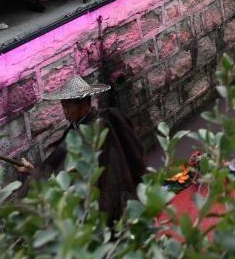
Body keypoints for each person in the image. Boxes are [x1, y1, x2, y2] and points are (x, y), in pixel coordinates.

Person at [17, 76, 145, 225]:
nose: (65, 112)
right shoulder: (76, 128)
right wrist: (34, 171)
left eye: (69, 107)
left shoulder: (97, 126)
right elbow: (58, 162)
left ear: (84, 105)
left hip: (106, 192)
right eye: (63, 106)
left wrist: (37, 174)